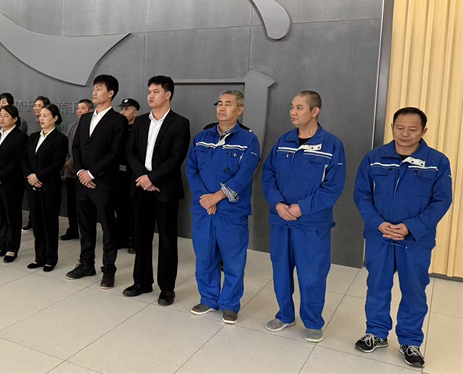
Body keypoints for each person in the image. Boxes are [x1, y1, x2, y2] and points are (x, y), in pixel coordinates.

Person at [352, 107, 452, 368]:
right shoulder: (374, 158)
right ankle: (376, 332)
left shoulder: (437, 162)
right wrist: (378, 223)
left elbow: (442, 200)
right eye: (400, 128)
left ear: (423, 131)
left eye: (412, 129)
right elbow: (361, 194)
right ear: (392, 128)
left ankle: (410, 341)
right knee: (377, 285)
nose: (405, 134)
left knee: (414, 290)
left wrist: (411, 227)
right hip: (380, 236)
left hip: (416, 240)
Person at [262, 90, 346, 343]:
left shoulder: (331, 145)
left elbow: (333, 187)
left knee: (312, 275)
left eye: (299, 107)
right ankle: (285, 315)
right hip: (281, 220)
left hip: (311, 223)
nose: (293, 112)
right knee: (281, 270)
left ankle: (313, 321)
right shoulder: (283, 141)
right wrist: (278, 203)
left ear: (315, 111)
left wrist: (302, 208)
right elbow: (268, 174)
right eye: (291, 107)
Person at [186, 90, 260, 320]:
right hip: (203, 209)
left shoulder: (248, 140)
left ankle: (230, 303)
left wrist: (216, 197)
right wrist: (204, 198)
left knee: (233, 259)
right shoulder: (202, 137)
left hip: (231, 211)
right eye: (219, 103)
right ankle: (208, 298)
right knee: (205, 256)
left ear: (240, 109)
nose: (222, 108)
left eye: (228, 104)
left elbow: (244, 175)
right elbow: (191, 169)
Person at [123, 76, 190, 306]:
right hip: (141, 188)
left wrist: (152, 178)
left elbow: (176, 157)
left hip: (165, 189)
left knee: (167, 241)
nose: (151, 95)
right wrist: (143, 177)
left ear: (168, 94)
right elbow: (130, 151)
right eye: (149, 91)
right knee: (141, 238)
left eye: (156, 91)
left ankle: (167, 289)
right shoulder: (141, 121)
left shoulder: (180, 123)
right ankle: (142, 282)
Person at [66, 74, 127, 289]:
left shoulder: (118, 120)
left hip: (104, 182)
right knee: (85, 224)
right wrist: (80, 171)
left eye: (99, 88)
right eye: (94, 88)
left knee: (108, 227)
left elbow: (115, 152)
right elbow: (76, 147)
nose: (94, 92)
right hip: (82, 181)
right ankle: (86, 264)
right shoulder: (85, 118)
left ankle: (109, 269)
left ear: (110, 93)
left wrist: (91, 173)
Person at [23, 104, 69, 271]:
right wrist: (30, 177)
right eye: (40, 115)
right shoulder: (33, 137)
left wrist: (38, 177)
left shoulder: (60, 139)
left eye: (45, 115)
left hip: (49, 187)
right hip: (32, 187)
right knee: (37, 223)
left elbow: (57, 163)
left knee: (49, 223)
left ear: (55, 118)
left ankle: (50, 258)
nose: (41, 118)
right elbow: (24, 159)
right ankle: (39, 257)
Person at [0, 105, 28, 262]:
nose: (1, 119)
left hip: (11, 183)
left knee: (12, 216)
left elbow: (17, 161)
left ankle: (12, 248)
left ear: (15, 119)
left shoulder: (21, 137)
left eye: (6, 116)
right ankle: (1, 245)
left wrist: (0, 176)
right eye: (0, 115)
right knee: (0, 215)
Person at [61, 99, 93, 241]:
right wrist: (67, 162)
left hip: (84, 172)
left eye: (83, 108)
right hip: (69, 170)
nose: (79, 111)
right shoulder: (72, 126)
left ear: (91, 111)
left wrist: (74, 162)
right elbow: (68, 147)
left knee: (84, 205)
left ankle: (86, 232)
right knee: (71, 202)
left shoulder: (92, 126)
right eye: (78, 108)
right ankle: (72, 229)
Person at [114, 97, 140, 252]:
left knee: (135, 209)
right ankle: (122, 238)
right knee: (121, 207)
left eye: (127, 109)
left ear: (135, 112)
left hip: (135, 174)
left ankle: (135, 241)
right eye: (122, 109)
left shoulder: (141, 128)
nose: (123, 112)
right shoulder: (119, 128)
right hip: (119, 174)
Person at [25, 95, 51, 232]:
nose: (36, 108)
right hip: (31, 173)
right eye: (35, 105)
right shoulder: (31, 126)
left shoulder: (54, 133)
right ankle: (32, 221)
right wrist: (30, 175)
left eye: (39, 106)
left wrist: (37, 176)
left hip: (45, 177)